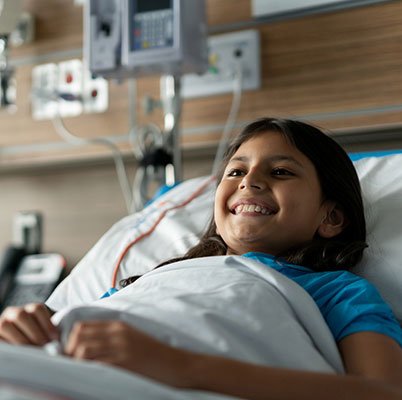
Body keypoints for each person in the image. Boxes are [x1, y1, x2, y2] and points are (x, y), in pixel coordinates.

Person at [0, 117, 401, 400]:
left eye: (280, 172)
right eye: (235, 172)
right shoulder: (153, 278)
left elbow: (382, 393)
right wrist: (27, 328)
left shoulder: (335, 290)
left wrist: (181, 365)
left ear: (330, 217)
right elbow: (88, 328)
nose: (250, 181)